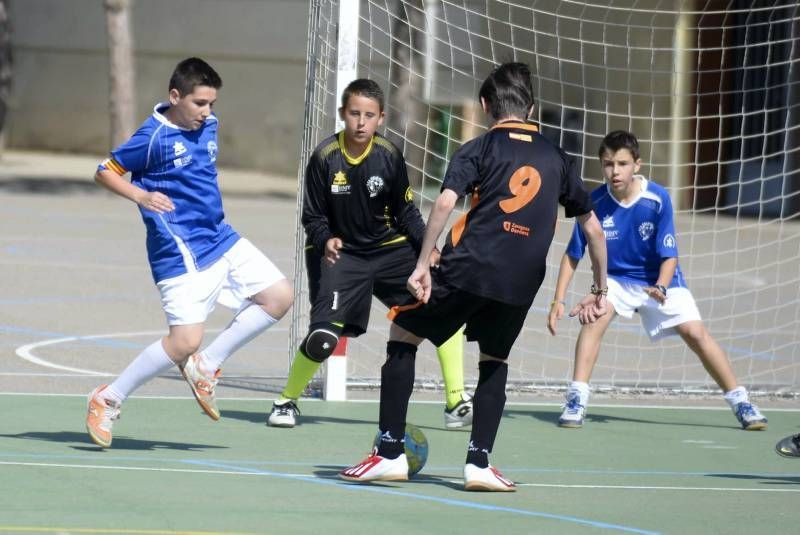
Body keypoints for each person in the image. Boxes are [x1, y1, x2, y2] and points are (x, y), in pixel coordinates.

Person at [338, 62, 608, 491]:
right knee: (494, 360)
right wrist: (599, 289)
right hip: (521, 283)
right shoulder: (557, 155)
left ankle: (388, 453)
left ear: (485, 106)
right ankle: (479, 463)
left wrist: (423, 263)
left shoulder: (480, 148)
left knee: (404, 335)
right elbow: (593, 228)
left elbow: (445, 203)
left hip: (469, 268)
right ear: (531, 108)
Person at [85, 57, 293, 448]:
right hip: (178, 249)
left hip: (220, 236)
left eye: (212, 103)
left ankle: (207, 367)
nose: (207, 112)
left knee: (280, 296)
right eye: (200, 103)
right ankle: (107, 397)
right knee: (183, 342)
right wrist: (141, 194)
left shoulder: (209, 125)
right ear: (175, 96)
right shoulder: (152, 137)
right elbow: (104, 170)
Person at [267, 78, 472, 429]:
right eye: (354, 114)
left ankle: (456, 402)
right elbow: (312, 216)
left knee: (441, 305)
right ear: (342, 114)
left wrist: (429, 248)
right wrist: (326, 238)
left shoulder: (389, 156)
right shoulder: (324, 158)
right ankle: (286, 401)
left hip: (389, 249)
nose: (361, 122)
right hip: (341, 253)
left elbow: (407, 212)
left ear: (381, 118)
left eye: (369, 115)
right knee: (324, 338)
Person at [547, 130, 767, 431]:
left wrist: (661, 287)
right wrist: (558, 300)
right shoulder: (593, 201)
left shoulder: (657, 198)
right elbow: (572, 254)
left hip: (661, 280)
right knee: (593, 320)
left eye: (622, 163)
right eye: (608, 164)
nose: (615, 171)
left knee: (695, 333)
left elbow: (670, 254)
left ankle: (741, 401)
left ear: (637, 164)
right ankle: (576, 399)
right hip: (616, 281)